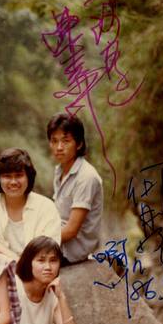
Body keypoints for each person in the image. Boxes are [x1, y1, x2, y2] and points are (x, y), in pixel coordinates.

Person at [0, 148, 61, 260]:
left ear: (28, 177)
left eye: (19, 175)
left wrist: (23, 266)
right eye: (7, 176)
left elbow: (49, 246)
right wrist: (16, 260)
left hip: (36, 266)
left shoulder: (46, 207)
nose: (13, 182)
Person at [46, 113, 103, 265]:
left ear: (79, 144)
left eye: (66, 141)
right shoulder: (60, 171)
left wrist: (39, 241)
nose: (59, 147)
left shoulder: (86, 176)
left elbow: (71, 230)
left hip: (71, 252)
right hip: (58, 242)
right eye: (54, 141)